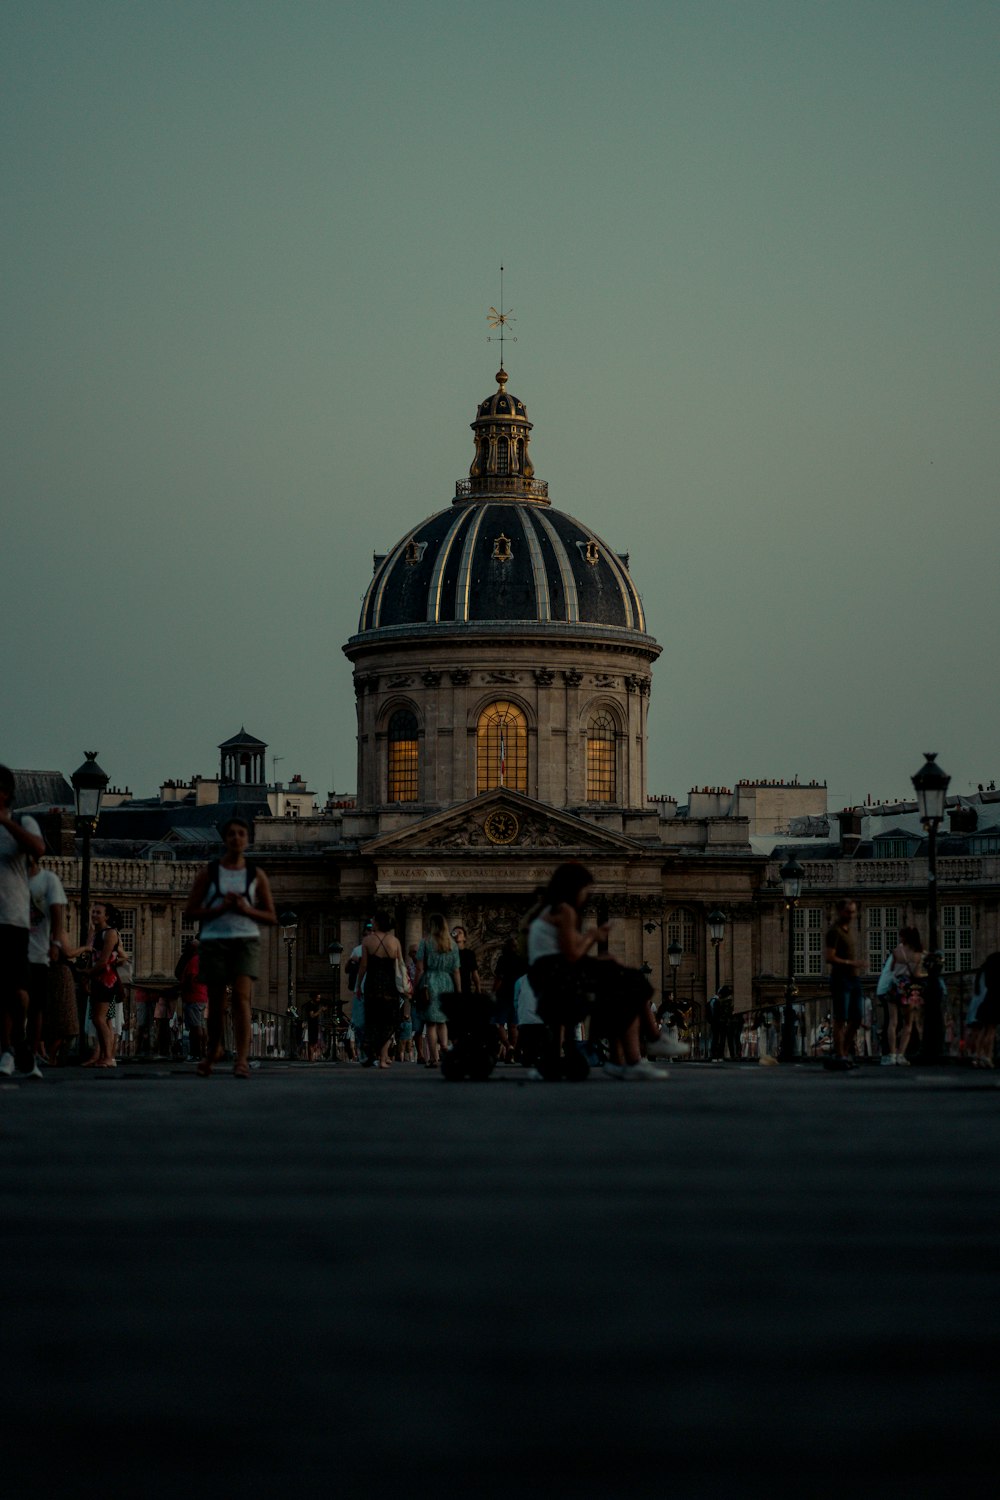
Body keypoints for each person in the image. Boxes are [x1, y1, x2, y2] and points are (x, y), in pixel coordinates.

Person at [526, 863, 665, 1082]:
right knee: (629, 981)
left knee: (619, 978)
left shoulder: (548, 910)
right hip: (558, 976)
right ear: (574, 888)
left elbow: (567, 952)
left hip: (549, 976)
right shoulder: (565, 910)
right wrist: (593, 936)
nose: (586, 895)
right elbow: (572, 955)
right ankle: (645, 1046)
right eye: (585, 890)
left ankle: (633, 1053)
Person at [185, 817, 277, 1079]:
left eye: (241, 834)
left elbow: (271, 916)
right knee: (216, 1001)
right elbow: (190, 910)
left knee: (241, 997)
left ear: (247, 839)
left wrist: (246, 909)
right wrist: (220, 909)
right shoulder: (209, 872)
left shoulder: (255, 874)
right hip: (215, 939)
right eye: (232, 834)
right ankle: (214, 1049)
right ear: (225, 839)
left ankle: (242, 1058)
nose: (236, 838)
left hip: (245, 939)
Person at [0, 765, 46, 1078]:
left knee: (17, 992)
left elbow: (38, 849)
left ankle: (20, 1042)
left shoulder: (21, 822)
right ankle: (7, 1049)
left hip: (13, 918)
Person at [26, 853, 68, 1069]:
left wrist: (55, 944)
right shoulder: (10, 878)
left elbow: (58, 914)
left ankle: (32, 1053)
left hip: (40, 954)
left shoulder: (48, 880)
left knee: (36, 1008)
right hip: (16, 951)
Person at [354, 912, 403, 1069]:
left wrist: (358, 986)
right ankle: (383, 1058)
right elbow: (400, 965)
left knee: (373, 1020)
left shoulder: (368, 941)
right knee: (388, 1022)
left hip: (373, 985)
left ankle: (369, 1050)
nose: (372, 923)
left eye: (373, 921)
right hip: (389, 986)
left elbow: (363, 966)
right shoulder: (394, 941)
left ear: (377, 923)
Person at [82, 901, 126, 1068]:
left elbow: (103, 961)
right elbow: (90, 956)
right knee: (97, 1019)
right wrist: (87, 976)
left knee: (101, 1019)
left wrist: (86, 973)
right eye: (93, 912)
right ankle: (103, 1056)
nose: (94, 915)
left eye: (98, 912)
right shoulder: (97, 933)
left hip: (107, 980)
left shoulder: (110, 933)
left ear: (106, 916)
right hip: (97, 979)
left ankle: (109, 1056)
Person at [823, 898, 866, 1071]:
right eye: (849, 912)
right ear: (840, 911)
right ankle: (840, 1055)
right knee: (840, 1019)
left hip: (853, 979)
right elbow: (829, 957)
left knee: (856, 1019)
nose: (852, 915)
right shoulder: (834, 932)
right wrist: (851, 963)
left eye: (854, 912)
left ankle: (844, 1052)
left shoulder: (848, 931)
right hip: (841, 979)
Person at [414, 914, 460, 1067]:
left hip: (430, 982)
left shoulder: (425, 942)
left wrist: (415, 986)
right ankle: (445, 1046)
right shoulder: (452, 944)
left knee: (431, 1023)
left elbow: (419, 968)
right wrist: (458, 991)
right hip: (447, 983)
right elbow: (456, 971)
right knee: (442, 1021)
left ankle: (434, 1058)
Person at [492, 934, 524, 1063]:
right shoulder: (521, 960)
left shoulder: (503, 959)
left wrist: (493, 992)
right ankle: (511, 1054)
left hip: (503, 994)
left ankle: (508, 1046)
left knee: (498, 1023)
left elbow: (499, 977)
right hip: (517, 994)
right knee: (514, 1025)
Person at [175, 937, 209, 1061]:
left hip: (194, 997)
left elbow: (191, 978)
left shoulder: (195, 960)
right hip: (201, 996)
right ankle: (201, 1052)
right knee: (200, 1025)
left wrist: (182, 988)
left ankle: (196, 1053)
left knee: (195, 1027)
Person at [967, 952, 999, 1069]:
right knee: (991, 1031)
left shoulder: (985, 973)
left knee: (982, 1031)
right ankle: (987, 1056)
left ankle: (978, 1055)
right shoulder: (997, 973)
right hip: (996, 1002)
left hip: (986, 1001)